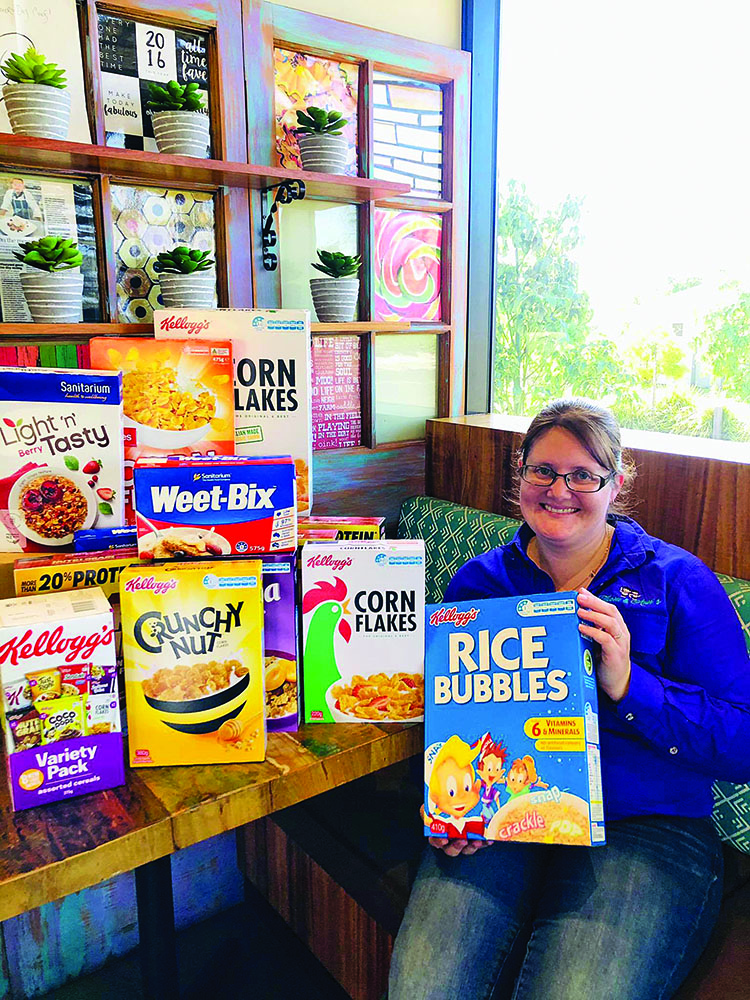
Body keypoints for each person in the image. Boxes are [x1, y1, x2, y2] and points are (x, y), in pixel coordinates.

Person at [389, 398, 750, 1000]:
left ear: (616, 484)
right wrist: (455, 812)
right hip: (505, 817)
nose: (560, 490)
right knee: (422, 987)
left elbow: (743, 743)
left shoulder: (676, 580)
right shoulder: (480, 584)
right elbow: (459, 725)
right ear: (521, 476)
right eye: (543, 472)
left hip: (646, 827)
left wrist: (631, 685)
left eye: (584, 474)